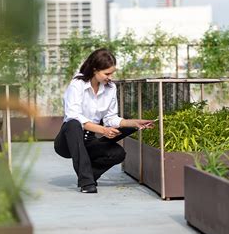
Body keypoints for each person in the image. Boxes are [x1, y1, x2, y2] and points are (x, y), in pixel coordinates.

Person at [54, 48, 154, 193]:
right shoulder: (77, 84)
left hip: (88, 140)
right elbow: (73, 115)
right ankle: (86, 183)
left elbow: (111, 118)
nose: (110, 77)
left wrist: (134, 123)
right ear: (94, 69)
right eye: (107, 73)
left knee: (118, 153)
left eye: (112, 73)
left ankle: (88, 175)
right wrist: (103, 130)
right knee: (73, 124)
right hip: (68, 141)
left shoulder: (110, 88)